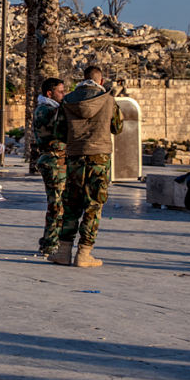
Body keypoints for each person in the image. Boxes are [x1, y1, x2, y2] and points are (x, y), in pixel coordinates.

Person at [49, 66, 123, 267]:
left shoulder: (68, 100)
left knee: (71, 205)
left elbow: (59, 132)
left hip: (74, 158)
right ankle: (84, 253)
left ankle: (63, 252)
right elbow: (117, 127)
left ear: (82, 79)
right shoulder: (108, 99)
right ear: (100, 81)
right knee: (93, 205)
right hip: (99, 159)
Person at [33, 77, 66, 256]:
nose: (64, 94)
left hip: (57, 160)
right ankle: (50, 243)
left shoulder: (51, 108)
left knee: (58, 203)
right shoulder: (45, 110)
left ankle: (49, 239)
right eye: (61, 92)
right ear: (49, 93)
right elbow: (60, 129)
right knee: (56, 204)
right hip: (53, 161)